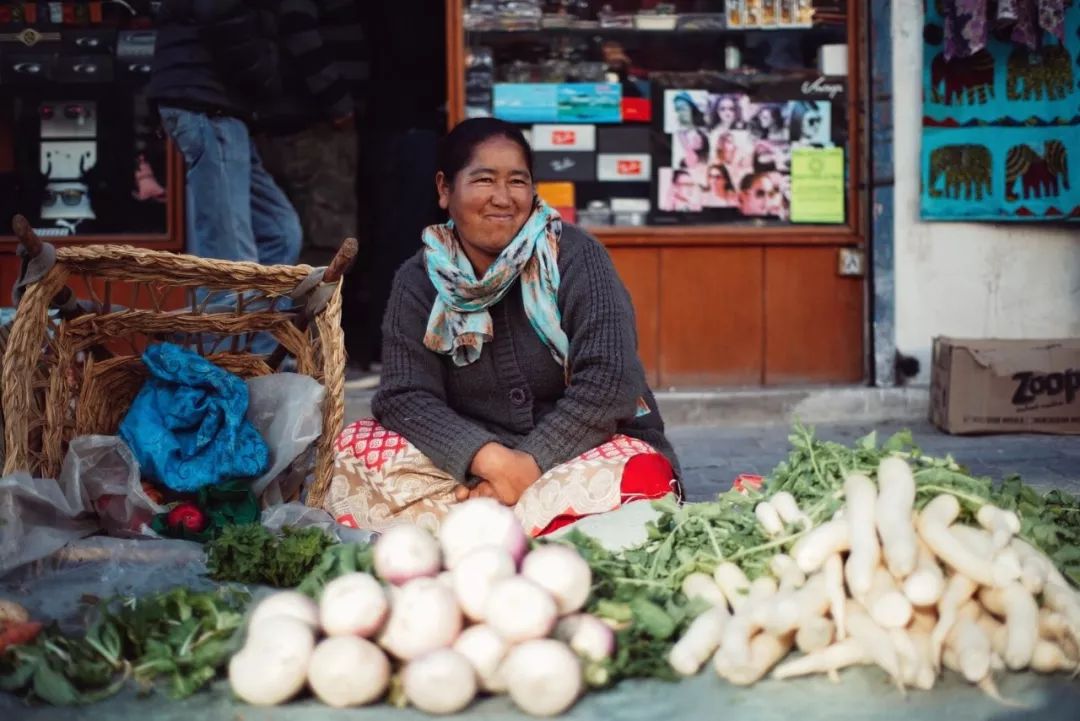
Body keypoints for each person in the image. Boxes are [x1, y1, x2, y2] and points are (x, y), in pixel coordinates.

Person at [325, 118, 680, 536]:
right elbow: (405, 396)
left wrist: (529, 465)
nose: (502, 198)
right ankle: (524, 525)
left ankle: (478, 526)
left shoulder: (577, 258)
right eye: (483, 180)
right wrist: (490, 461)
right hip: (470, 466)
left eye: (517, 181)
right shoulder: (417, 280)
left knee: (640, 475)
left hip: (581, 455)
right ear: (444, 189)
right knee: (350, 455)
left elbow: (611, 380)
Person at [148, 0, 301, 271]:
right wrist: (262, 75)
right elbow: (220, 12)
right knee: (230, 262)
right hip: (208, 103)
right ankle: (230, 311)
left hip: (217, 103)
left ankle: (255, 311)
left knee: (281, 234)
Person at [255, 0, 370, 265]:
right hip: (314, 126)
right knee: (326, 245)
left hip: (312, 123)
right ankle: (308, 308)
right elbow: (298, 27)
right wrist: (338, 103)